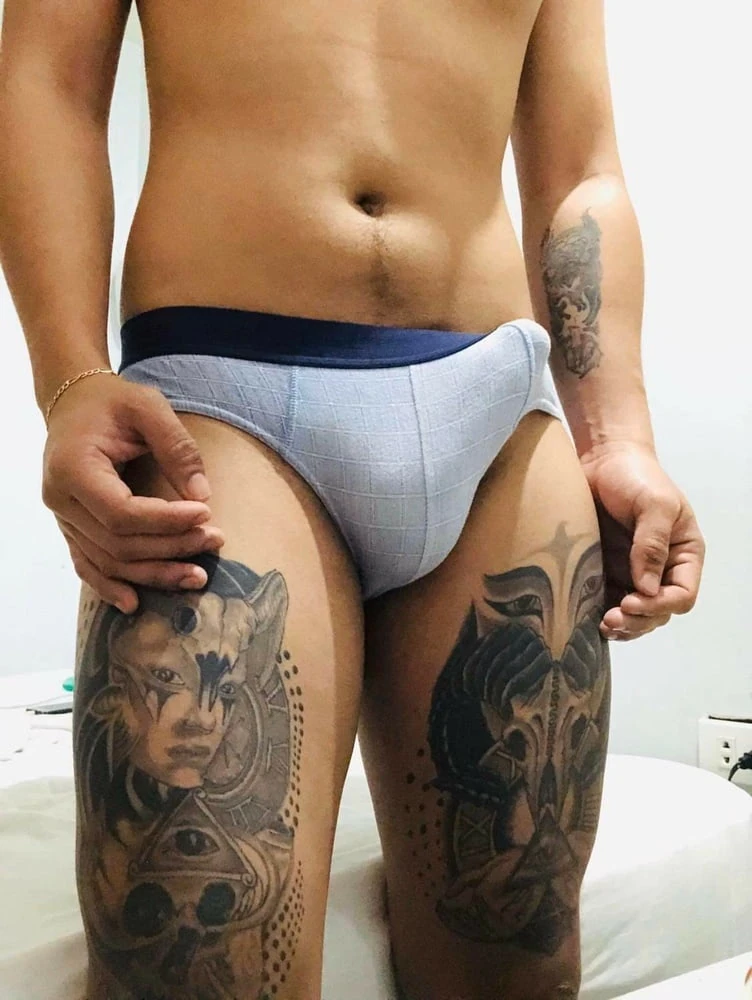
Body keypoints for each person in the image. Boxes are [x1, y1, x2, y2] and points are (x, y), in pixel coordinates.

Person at [0, 0, 705, 997]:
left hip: (494, 408)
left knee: (516, 956)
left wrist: (619, 436)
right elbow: (47, 83)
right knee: (195, 967)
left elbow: (581, 167)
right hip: (221, 406)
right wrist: (68, 380)